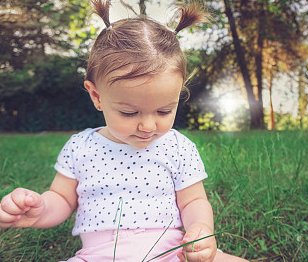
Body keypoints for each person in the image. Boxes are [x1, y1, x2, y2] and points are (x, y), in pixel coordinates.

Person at [0, 0, 249, 262]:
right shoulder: (80, 147)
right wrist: (39, 210)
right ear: (96, 96)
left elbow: (193, 202)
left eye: (164, 111)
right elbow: (62, 199)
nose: (148, 126)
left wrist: (202, 230)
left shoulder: (178, 146)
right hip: (97, 256)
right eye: (129, 113)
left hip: (171, 253)